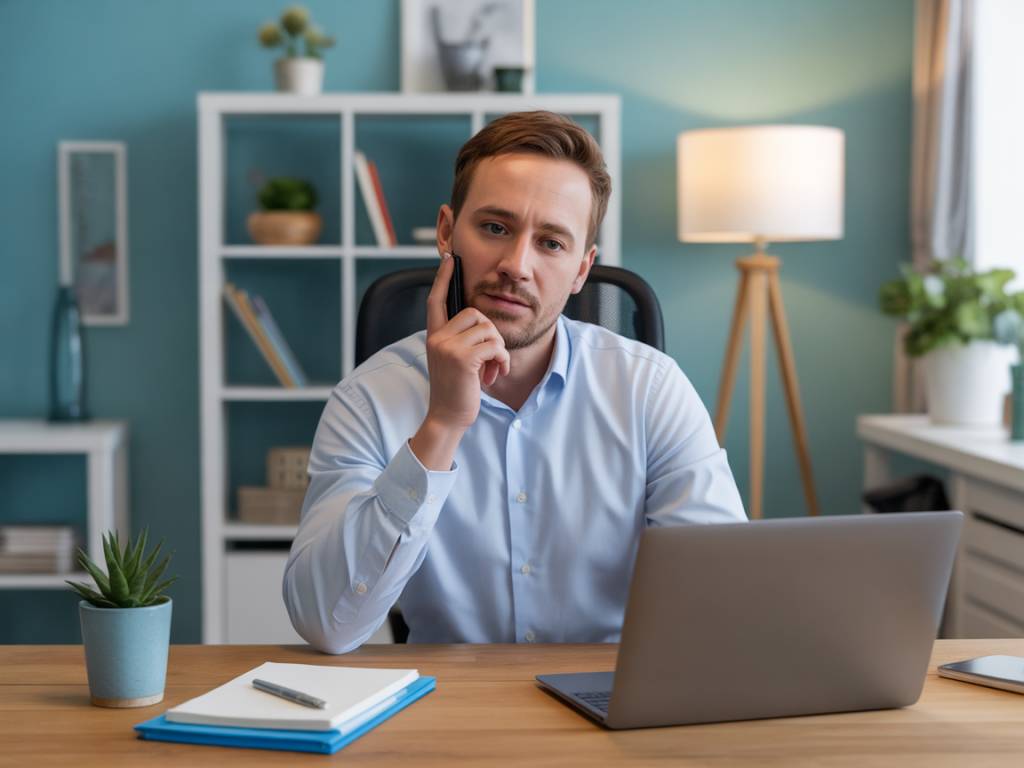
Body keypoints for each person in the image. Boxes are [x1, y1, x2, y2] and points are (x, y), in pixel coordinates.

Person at [283, 111, 746, 654]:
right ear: (446, 231)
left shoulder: (650, 389)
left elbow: (724, 598)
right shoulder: (369, 397)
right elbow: (325, 625)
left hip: (610, 699)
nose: (516, 265)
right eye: (495, 228)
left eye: (551, 243)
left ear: (581, 270)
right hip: (446, 705)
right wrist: (441, 427)